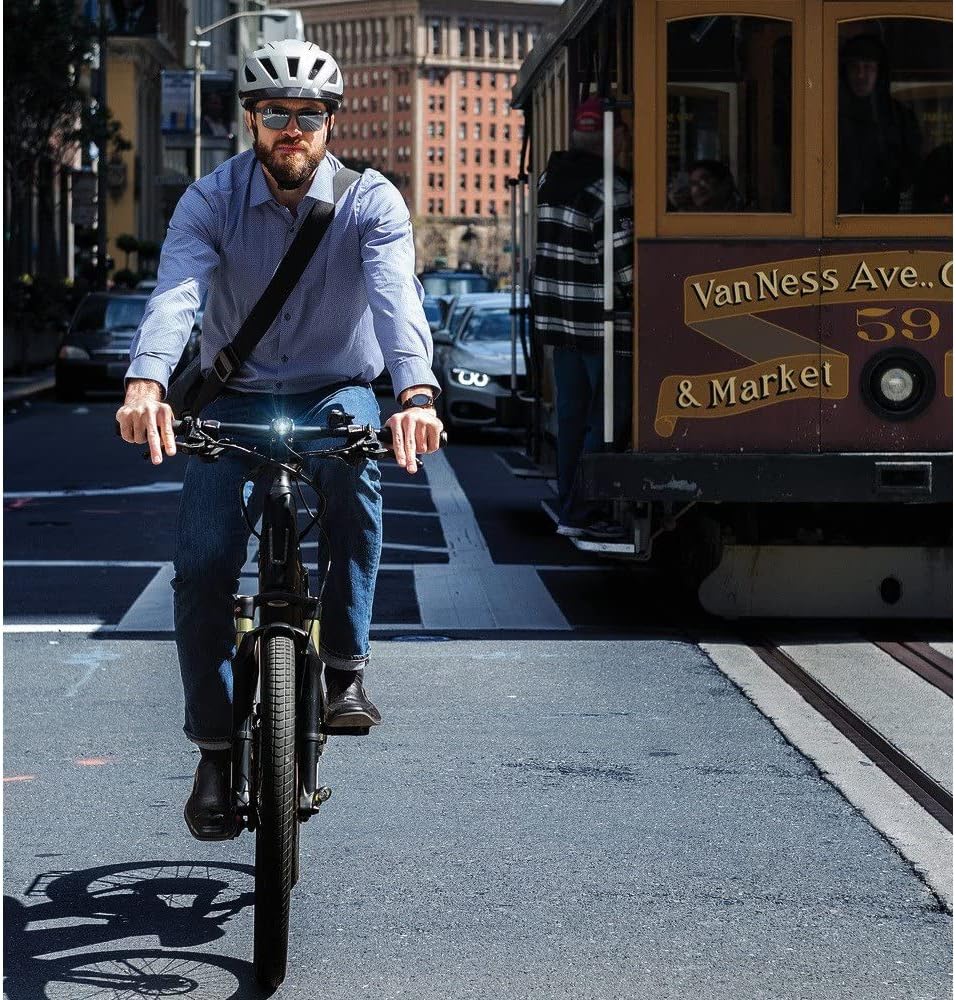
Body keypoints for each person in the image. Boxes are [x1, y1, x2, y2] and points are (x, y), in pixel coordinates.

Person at [115, 38, 443, 840]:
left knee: (357, 483)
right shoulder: (210, 199)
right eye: (274, 114)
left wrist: (415, 395)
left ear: (331, 123)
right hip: (236, 398)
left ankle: (346, 669)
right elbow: (177, 294)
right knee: (201, 567)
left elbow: (396, 301)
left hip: (336, 389)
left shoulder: (370, 201)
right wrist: (146, 380)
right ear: (251, 121)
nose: (292, 129)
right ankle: (214, 751)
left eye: (308, 115)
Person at [531, 96, 633, 541]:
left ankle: (567, 503)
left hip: (560, 324)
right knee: (607, 421)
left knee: (572, 419)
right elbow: (626, 269)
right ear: (614, 137)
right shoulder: (609, 190)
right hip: (603, 325)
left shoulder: (550, 180)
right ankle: (583, 510)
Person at [838, 33, 922, 214]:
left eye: (868, 67)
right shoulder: (830, 114)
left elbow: (913, 170)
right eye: (854, 67)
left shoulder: (900, 117)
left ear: (879, 72)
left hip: (886, 218)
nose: (860, 75)